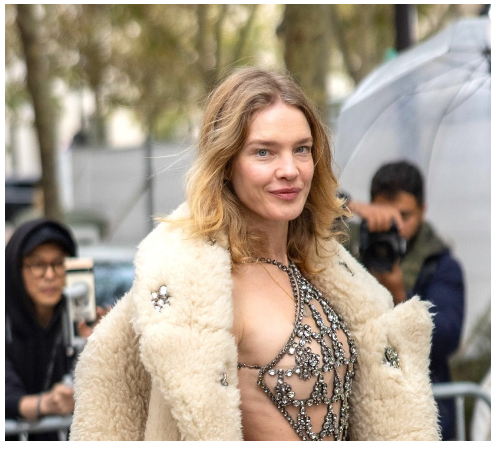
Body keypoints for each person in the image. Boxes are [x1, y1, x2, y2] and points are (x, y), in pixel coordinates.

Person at [70, 67, 440, 441]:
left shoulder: (326, 270)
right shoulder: (197, 290)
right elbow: (109, 401)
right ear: (226, 164)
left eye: (302, 149)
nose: (290, 170)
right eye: (264, 152)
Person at [346, 160, 465, 440]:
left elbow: (447, 337)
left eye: (404, 215)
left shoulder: (439, 264)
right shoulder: (349, 247)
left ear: (423, 210)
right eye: (385, 214)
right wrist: (347, 207)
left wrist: (400, 296)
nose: (396, 226)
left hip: (419, 412)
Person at [5, 218, 105, 440]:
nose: (50, 275)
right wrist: (46, 403)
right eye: (37, 265)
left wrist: (100, 345)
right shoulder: (7, 322)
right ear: (16, 269)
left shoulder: (79, 322)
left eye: (59, 264)